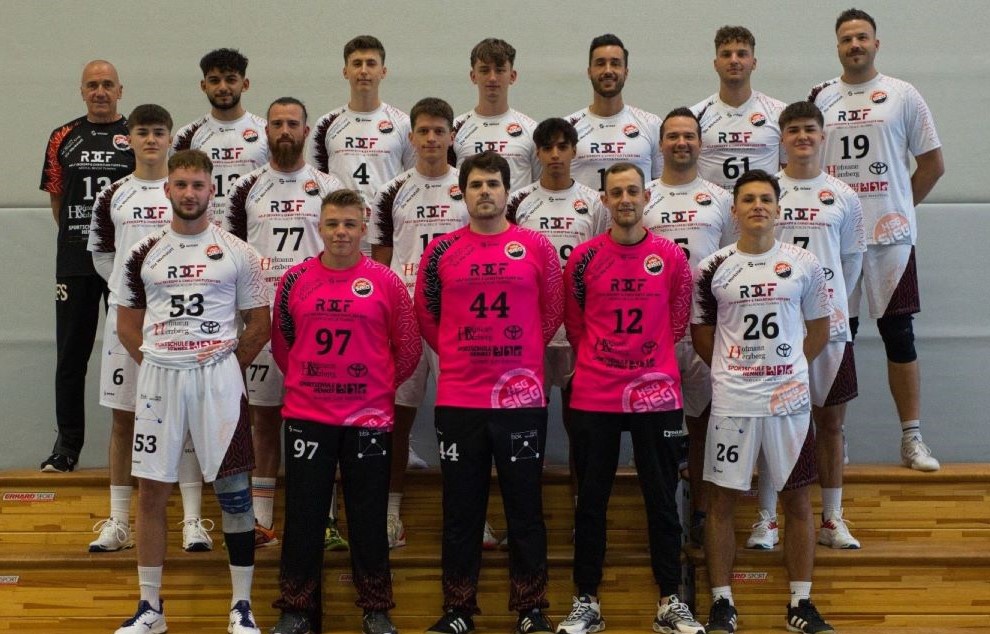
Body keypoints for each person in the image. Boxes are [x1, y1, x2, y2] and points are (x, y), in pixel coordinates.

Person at [113, 149, 270, 634]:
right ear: (168, 189)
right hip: (161, 378)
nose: (189, 193)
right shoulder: (144, 252)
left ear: (211, 190)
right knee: (151, 493)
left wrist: (226, 368)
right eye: (180, 184)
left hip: (217, 377)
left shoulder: (237, 251)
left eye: (197, 185)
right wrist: (161, 364)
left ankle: (241, 607)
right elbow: (126, 325)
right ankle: (150, 608)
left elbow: (259, 323)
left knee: (234, 492)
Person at [415, 151, 563, 634]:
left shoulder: (535, 246)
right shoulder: (441, 251)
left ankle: (530, 609)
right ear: (462, 192)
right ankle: (459, 610)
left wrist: (522, 350)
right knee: (461, 511)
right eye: (476, 184)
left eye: (493, 184)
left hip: (521, 400)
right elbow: (426, 313)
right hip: (460, 399)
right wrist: (460, 353)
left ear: (506, 191)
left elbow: (553, 308)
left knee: (525, 509)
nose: (485, 192)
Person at [269, 189, 421, 634]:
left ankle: (376, 610)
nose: (341, 232)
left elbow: (408, 347)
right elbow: (283, 344)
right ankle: (297, 610)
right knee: (304, 515)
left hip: (368, 419)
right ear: (320, 226)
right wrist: (312, 383)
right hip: (308, 416)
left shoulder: (385, 281)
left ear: (364, 228)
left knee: (368, 517)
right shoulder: (295, 279)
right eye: (333, 223)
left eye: (350, 224)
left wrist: (377, 388)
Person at [558, 162, 699, 634]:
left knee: (661, 498)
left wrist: (645, 360)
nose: (625, 199)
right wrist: (606, 362)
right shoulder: (584, 258)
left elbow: (677, 320)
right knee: (590, 501)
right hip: (595, 391)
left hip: (655, 393)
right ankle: (586, 601)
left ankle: (670, 601)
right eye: (616, 192)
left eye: (632, 191)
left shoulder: (670, 256)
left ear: (645, 197)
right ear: (604, 200)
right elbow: (575, 323)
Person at [692, 170, 834, 634]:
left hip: (788, 404)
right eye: (748, 199)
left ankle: (801, 603)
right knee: (721, 501)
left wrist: (788, 371)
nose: (758, 206)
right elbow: (701, 334)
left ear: (778, 209)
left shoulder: (804, 263)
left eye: (766, 199)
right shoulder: (712, 267)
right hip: (733, 401)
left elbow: (819, 330)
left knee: (797, 500)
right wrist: (733, 372)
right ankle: (722, 603)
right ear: (734, 210)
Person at [810, 8, 944, 471]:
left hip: (890, 240)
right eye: (847, 39)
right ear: (837, 46)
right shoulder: (820, 97)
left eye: (862, 37)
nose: (855, 45)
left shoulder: (903, 94)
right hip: (835, 240)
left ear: (876, 43)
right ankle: (834, 441)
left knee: (899, 334)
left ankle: (912, 439)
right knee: (836, 339)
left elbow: (933, 164)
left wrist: (899, 208)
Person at [86, 104, 213, 553]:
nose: (152, 140)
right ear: (130, 139)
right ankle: (119, 521)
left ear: (170, 137)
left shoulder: (183, 190)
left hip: (179, 322)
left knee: (188, 418)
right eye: (143, 132)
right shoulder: (113, 194)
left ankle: (193, 520)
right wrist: (133, 297)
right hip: (127, 322)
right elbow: (103, 256)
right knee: (124, 419)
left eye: (160, 132)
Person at [745, 101, 867, 551]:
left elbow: (851, 262)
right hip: (776, 330)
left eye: (809, 129)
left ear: (822, 136)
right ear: (782, 138)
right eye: (793, 129)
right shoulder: (766, 192)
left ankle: (831, 519)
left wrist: (828, 307)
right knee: (770, 423)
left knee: (830, 424)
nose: (802, 137)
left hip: (830, 329)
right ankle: (767, 519)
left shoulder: (843, 195)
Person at [226, 97, 345, 548]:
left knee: (323, 419)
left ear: (306, 130)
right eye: (277, 123)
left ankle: (325, 518)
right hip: (262, 316)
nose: (284, 131)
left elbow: (347, 249)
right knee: (263, 418)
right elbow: (232, 254)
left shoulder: (328, 185)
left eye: (293, 123)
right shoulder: (246, 187)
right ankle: (261, 519)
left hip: (316, 320)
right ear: (267, 131)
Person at [369, 97, 469, 549]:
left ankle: (467, 516)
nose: (431, 139)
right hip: (405, 319)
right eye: (423, 131)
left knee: (462, 423)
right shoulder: (391, 191)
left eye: (439, 131)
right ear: (411, 137)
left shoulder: (468, 186)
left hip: (456, 322)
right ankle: (390, 513)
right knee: (396, 419)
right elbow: (381, 262)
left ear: (452, 136)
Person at [642, 108, 735, 546]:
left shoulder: (720, 198)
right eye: (673, 136)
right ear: (660, 144)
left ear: (701, 143)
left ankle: (701, 512)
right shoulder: (642, 196)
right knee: (652, 430)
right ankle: (659, 519)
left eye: (689, 136)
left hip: (704, 328)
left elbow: (734, 264)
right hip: (653, 330)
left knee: (704, 426)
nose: (681, 142)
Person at [506, 117, 608, 510]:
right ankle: (527, 510)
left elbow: (603, 262)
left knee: (581, 426)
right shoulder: (519, 201)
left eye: (562, 146)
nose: (554, 154)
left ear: (573, 151)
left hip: (580, 328)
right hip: (530, 330)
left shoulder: (594, 202)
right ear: (537, 152)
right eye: (547, 147)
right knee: (528, 424)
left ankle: (583, 509)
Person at [39, 59, 135, 473]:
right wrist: (83, 238)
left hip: (125, 263)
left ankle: (141, 446)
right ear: (82, 91)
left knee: (135, 352)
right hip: (76, 261)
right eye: (92, 84)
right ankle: (67, 448)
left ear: (120, 91)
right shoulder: (63, 136)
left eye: (107, 84)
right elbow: (58, 201)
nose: (100, 91)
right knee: (71, 356)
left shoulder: (136, 134)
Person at [307, 35, 415, 255]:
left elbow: (413, 180)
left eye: (371, 63)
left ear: (383, 71)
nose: (364, 71)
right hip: (340, 233)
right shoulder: (326, 124)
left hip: (386, 234)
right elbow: (314, 183)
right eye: (357, 64)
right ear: (345, 71)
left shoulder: (402, 123)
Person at [172, 48, 269, 228]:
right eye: (215, 80)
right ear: (204, 86)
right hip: (203, 234)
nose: (223, 87)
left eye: (231, 80)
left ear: (245, 84)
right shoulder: (187, 136)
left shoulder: (266, 131)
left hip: (253, 230)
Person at [690, 26, 785, 191]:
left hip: (760, 206)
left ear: (754, 63)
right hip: (714, 206)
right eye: (726, 54)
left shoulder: (779, 113)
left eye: (742, 54)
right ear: (715, 64)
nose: (734, 60)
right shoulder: (695, 116)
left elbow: (790, 172)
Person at [567, 34, 662, 192]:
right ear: (589, 72)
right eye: (600, 63)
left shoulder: (652, 124)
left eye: (615, 64)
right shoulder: (568, 128)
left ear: (626, 72)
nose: (608, 70)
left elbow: (662, 187)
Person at [451, 38, 539, 192]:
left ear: (512, 76)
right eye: (484, 70)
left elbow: (540, 187)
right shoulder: (455, 129)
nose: (492, 78)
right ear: (473, 76)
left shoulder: (531, 130)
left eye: (499, 70)